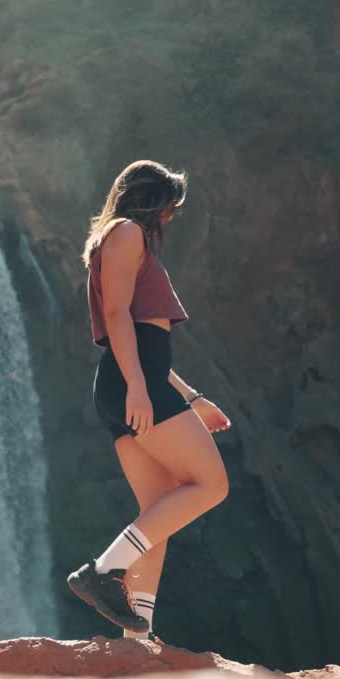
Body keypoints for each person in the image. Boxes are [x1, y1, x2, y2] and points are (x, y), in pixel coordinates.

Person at [66, 160, 232, 642]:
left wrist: (191, 398)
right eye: (169, 207)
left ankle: (136, 640)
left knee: (157, 511)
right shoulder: (126, 233)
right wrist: (140, 388)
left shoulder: (117, 237)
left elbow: (144, 339)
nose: (170, 218)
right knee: (211, 484)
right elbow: (117, 314)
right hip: (131, 384)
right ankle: (102, 572)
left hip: (135, 380)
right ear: (149, 202)